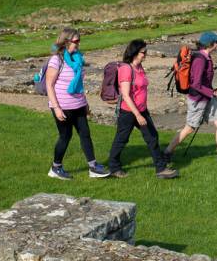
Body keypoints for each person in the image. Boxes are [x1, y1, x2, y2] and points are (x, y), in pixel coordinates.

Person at [45, 27, 111, 180]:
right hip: (63, 106)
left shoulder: (78, 58)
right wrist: (56, 108)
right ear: (66, 41)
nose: (78, 44)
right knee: (65, 136)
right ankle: (56, 168)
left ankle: (93, 167)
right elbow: (49, 85)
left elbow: (79, 83)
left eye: (79, 41)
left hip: (79, 104)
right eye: (76, 41)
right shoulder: (57, 60)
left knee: (85, 134)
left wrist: (85, 103)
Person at [108, 40, 179, 179]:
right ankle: (114, 167)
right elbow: (126, 95)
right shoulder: (126, 69)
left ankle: (161, 169)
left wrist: (142, 112)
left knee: (152, 137)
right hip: (128, 112)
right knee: (122, 139)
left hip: (142, 110)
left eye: (146, 52)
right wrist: (137, 115)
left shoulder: (140, 67)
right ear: (134, 52)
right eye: (143, 52)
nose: (145, 55)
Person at [164, 31, 217, 163]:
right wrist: (213, 93)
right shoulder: (200, 60)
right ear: (211, 44)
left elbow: (203, 83)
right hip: (198, 100)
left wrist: (213, 91)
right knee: (189, 128)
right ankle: (167, 152)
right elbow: (195, 84)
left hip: (207, 97)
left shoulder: (206, 57)